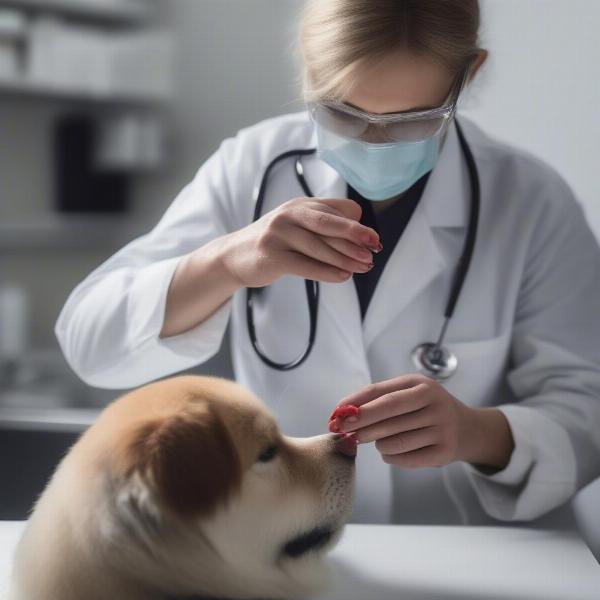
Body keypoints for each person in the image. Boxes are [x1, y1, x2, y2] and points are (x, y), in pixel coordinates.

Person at [56, 0, 600, 528]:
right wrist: (225, 262)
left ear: (469, 73)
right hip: (275, 549)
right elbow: (91, 343)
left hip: (460, 552)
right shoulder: (249, 167)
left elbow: (588, 414)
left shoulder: (531, 202)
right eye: (342, 113)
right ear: (308, 64)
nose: (375, 142)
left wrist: (479, 433)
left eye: (413, 121)